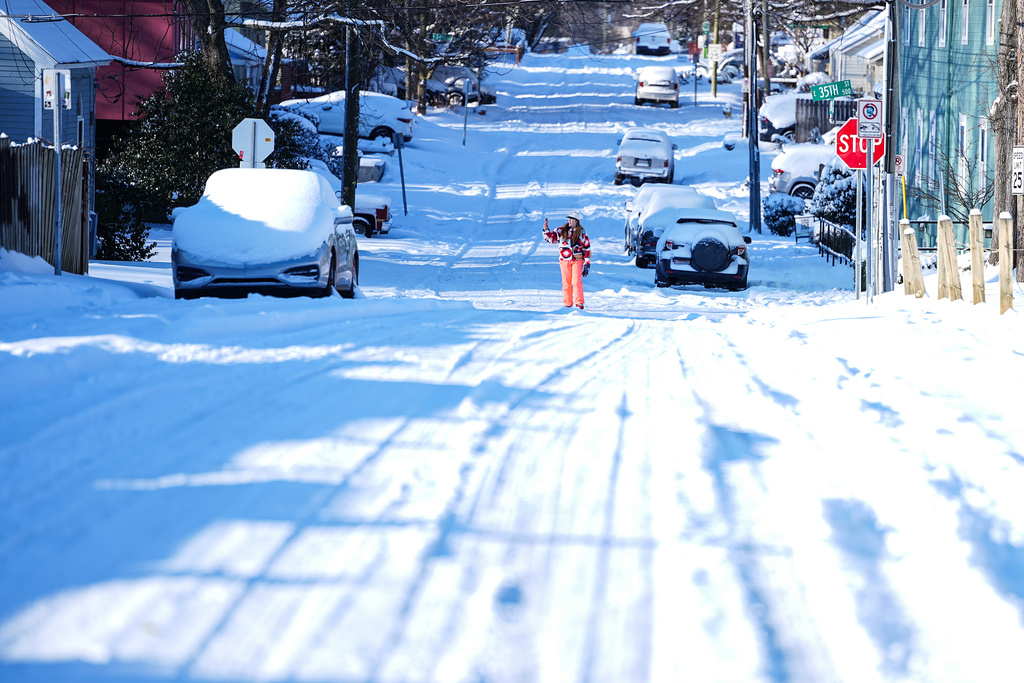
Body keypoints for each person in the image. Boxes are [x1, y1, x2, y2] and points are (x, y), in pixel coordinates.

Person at [542, 210, 591, 309]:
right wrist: (546, 230)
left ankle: (579, 303)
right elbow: (551, 239)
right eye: (569, 219)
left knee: (576, 282)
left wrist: (587, 262)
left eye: (572, 220)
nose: (570, 221)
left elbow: (586, 247)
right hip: (564, 260)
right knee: (566, 282)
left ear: (577, 221)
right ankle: (567, 304)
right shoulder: (560, 230)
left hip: (577, 259)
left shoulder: (582, 232)